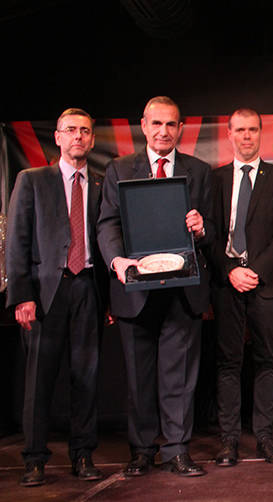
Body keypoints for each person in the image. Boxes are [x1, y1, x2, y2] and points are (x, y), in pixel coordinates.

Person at [97, 96, 213, 477]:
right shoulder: (119, 169)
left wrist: (201, 227)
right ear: (143, 126)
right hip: (135, 290)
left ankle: (177, 449)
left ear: (181, 129)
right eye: (157, 124)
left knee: (179, 377)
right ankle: (142, 450)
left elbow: (211, 228)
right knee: (138, 374)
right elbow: (108, 224)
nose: (164, 131)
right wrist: (117, 262)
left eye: (171, 124)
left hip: (183, 288)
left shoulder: (199, 171)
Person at [6, 108, 107, 486]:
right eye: (71, 130)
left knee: (87, 377)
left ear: (92, 139)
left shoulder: (99, 185)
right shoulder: (32, 180)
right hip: (46, 292)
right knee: (39, 379)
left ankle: (83, 456)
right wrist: (22, 296)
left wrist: (110, 300)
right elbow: (16, 243)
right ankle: (34, 459)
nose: (78, 136)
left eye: (85, 131)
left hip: (89, 287)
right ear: (59, 138)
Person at [209, 108, 273, 466]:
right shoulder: (213, 180)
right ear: (229, 134)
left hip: (265, 282)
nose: (247, 136)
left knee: (266, 361)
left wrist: (254, 270)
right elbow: (209, 234)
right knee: (228, 362)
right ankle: (229, 441)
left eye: (253, 130)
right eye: (240, 130)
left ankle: (264, 438)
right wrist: (231, 270)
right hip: (227, 283)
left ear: (261, 134)